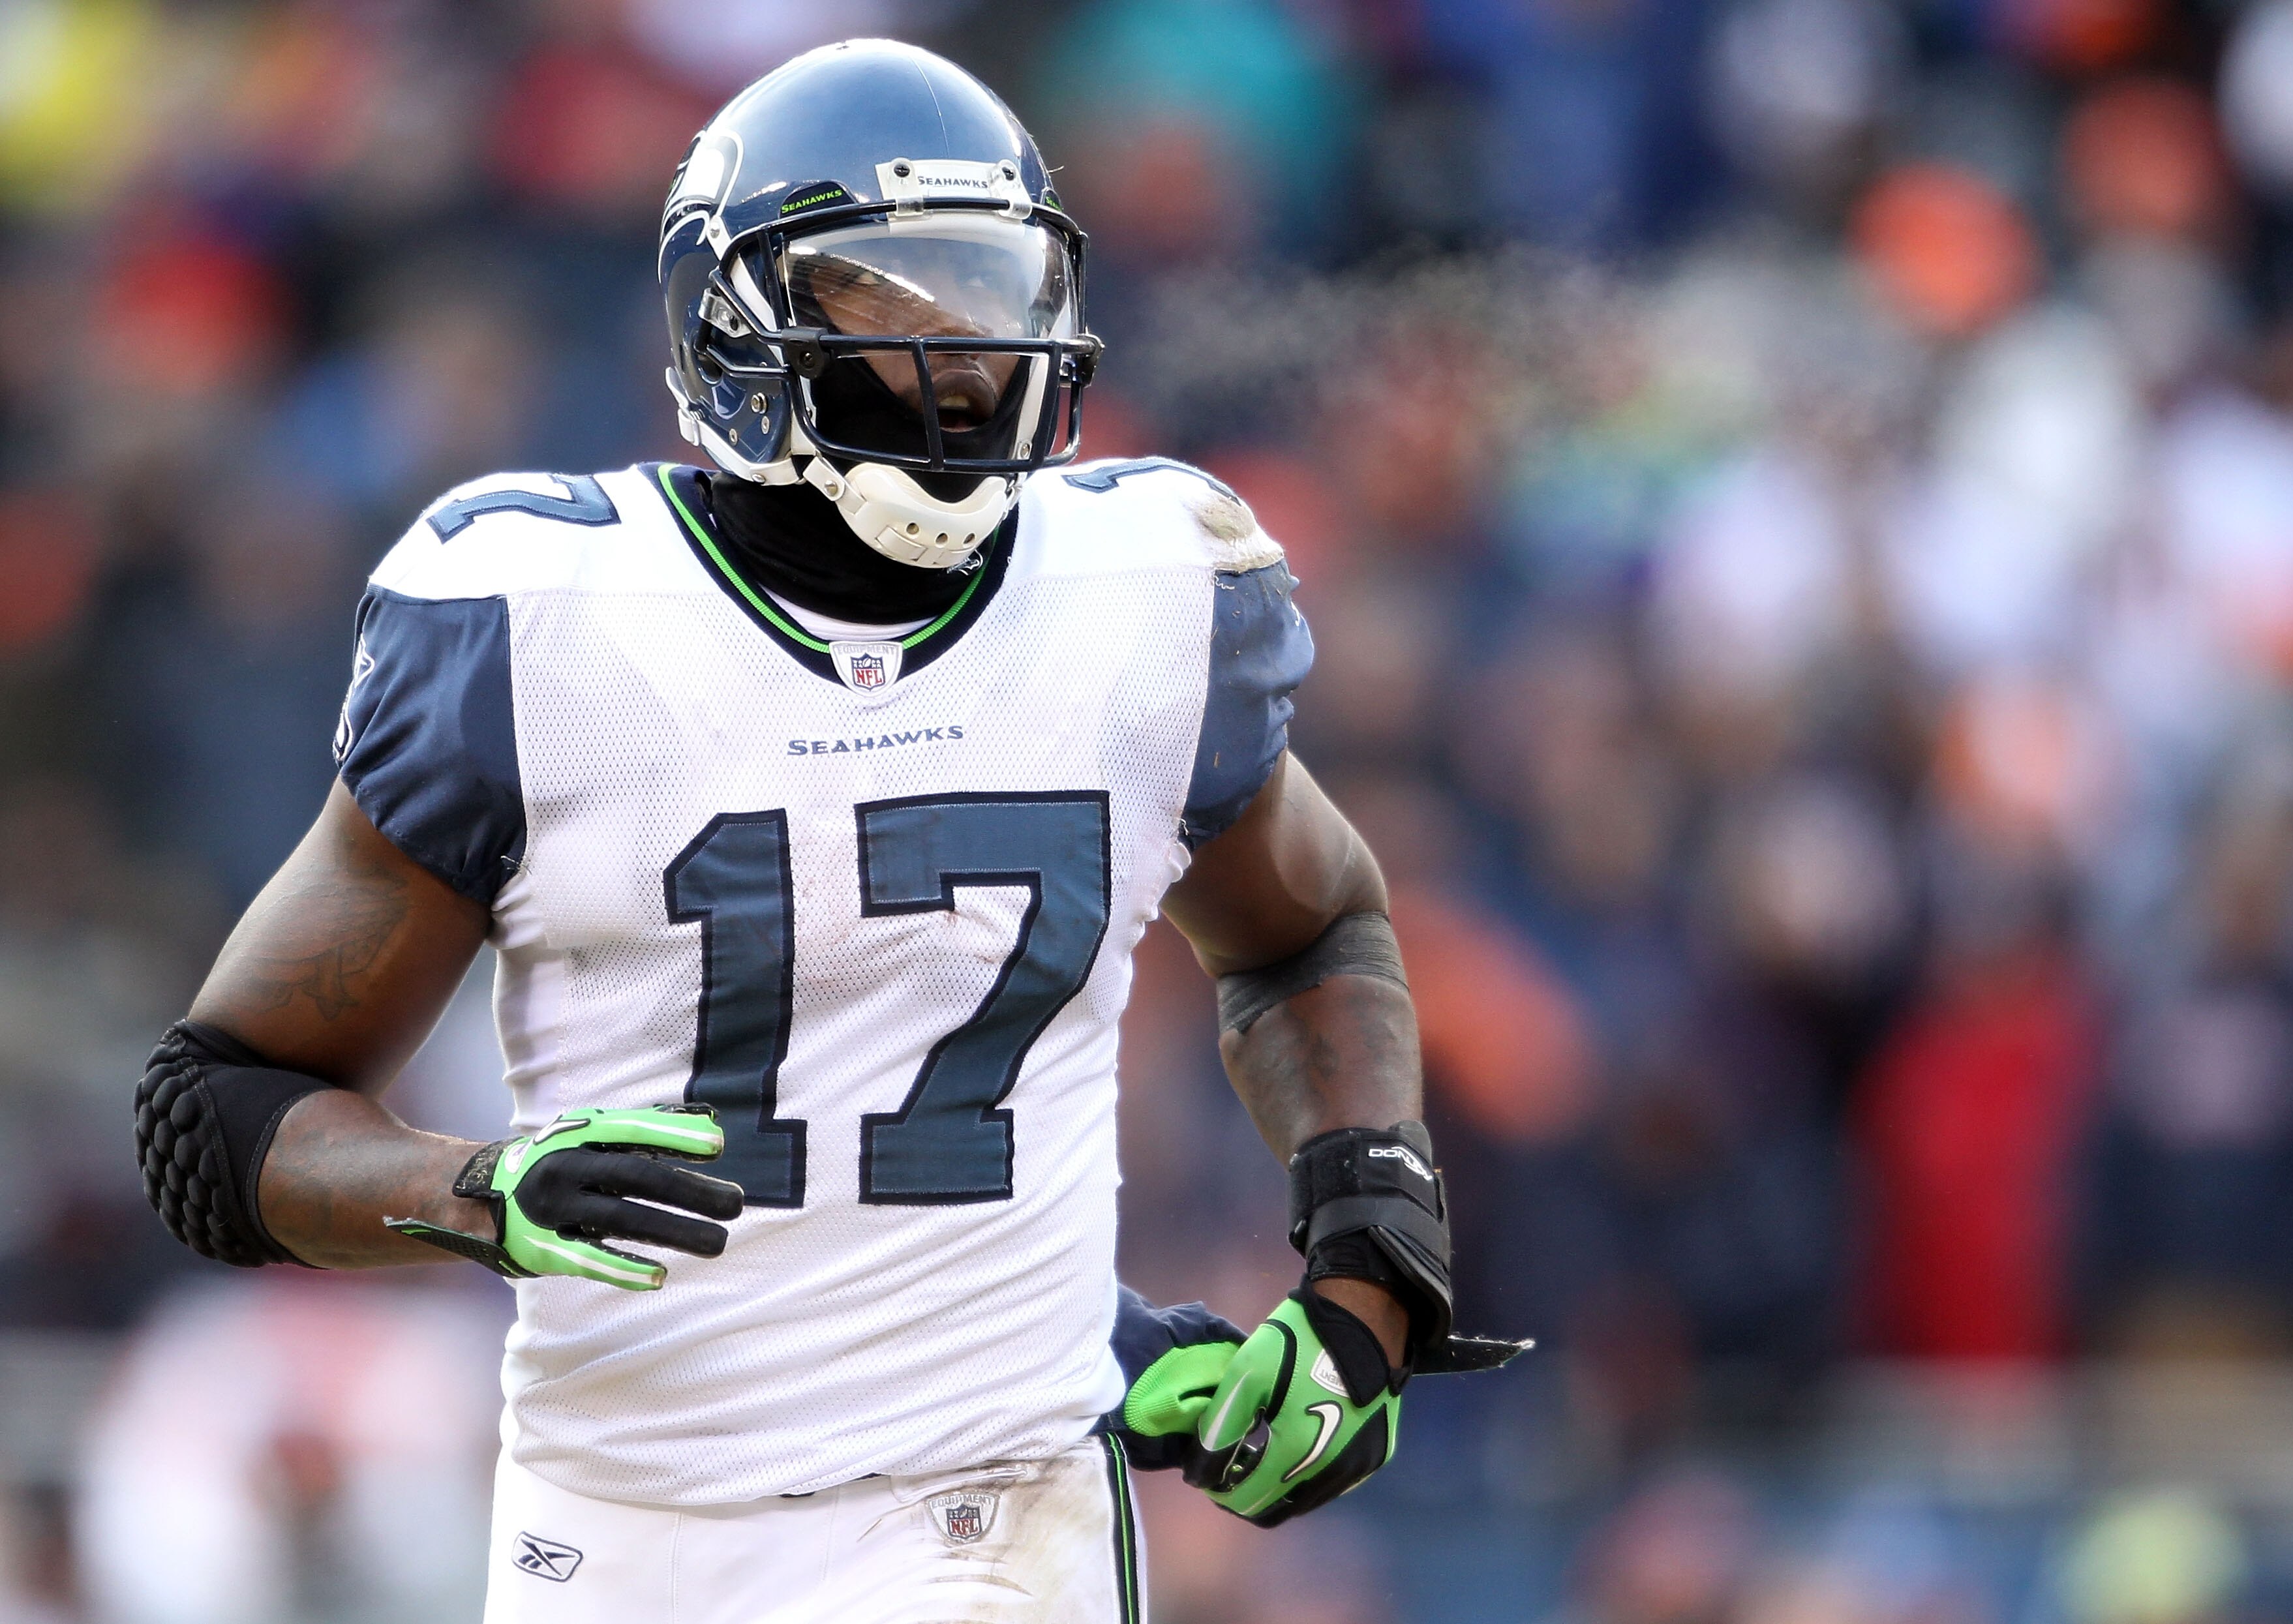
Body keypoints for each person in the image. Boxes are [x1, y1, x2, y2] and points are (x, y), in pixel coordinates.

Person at [131, 39, 1519, 1623]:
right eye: (886, 297)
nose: (965, 351)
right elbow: (217, 1113)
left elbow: (1313, 928)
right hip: (618, 1522)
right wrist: (479, 1193)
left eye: (988, 287)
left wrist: (1366, 1261)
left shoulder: (1136, 599)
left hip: (985, 1508)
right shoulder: (537, 627)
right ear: (729, 321)